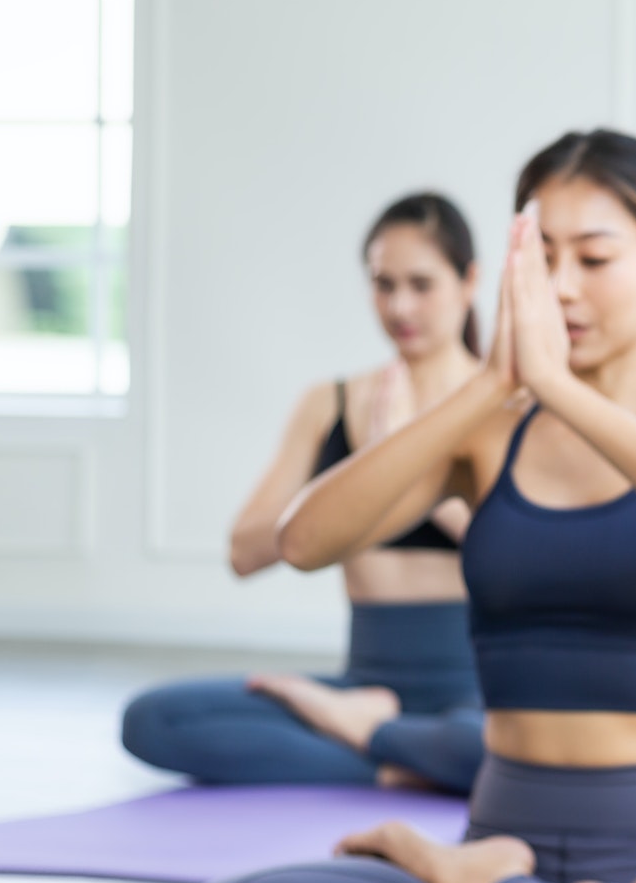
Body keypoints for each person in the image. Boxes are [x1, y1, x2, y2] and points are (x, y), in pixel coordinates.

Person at [146, 130, 636, 883]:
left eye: (595, 258)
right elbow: (301, 538)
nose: (562, 287)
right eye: (544, 257)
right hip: (500, 828)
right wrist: (494, 384)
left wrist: (561, 390)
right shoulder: (488, 436)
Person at [120, 193, 487, 793]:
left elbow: (522, 550)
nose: (400, 306)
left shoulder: (502, 403)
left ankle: (380, 745)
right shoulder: (331, 404)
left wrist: (401, 459)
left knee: (512, 756)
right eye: (383, 284)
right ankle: (403, 757)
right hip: (364, 683)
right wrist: (359, 471)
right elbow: (246, 553)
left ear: (469, 282)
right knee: (154, 721)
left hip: (476, 690)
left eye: (422, 284)